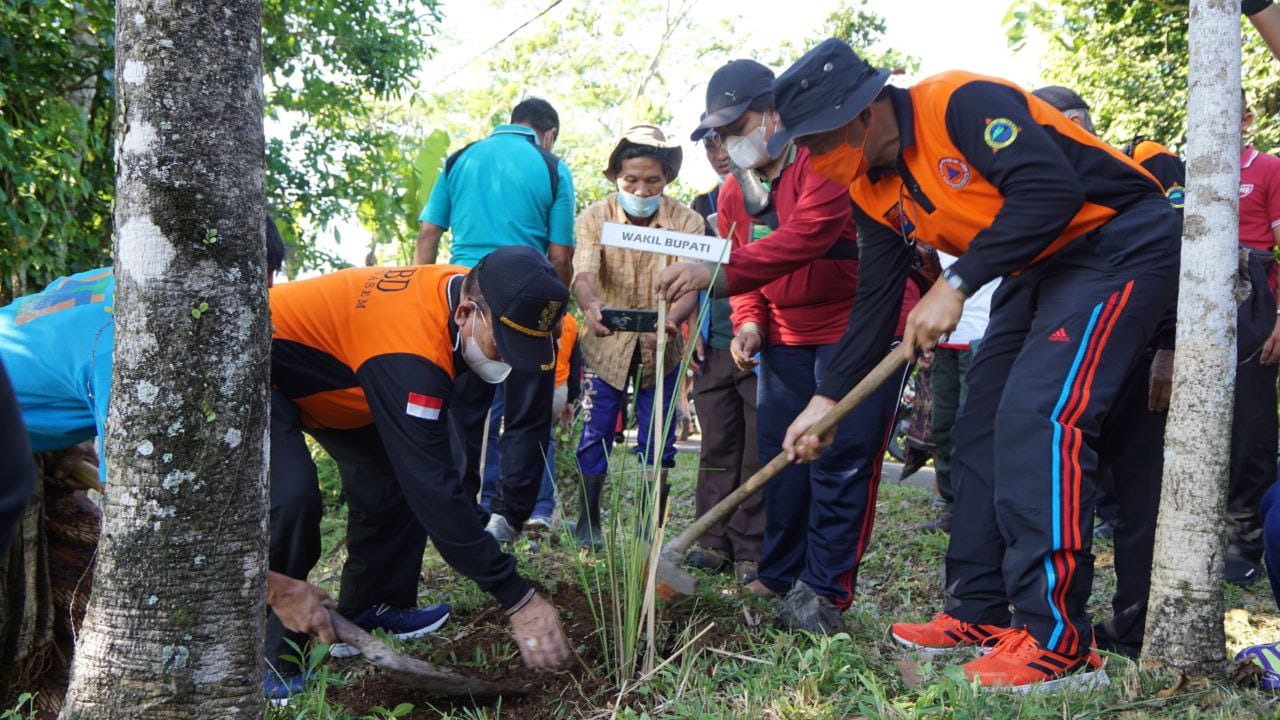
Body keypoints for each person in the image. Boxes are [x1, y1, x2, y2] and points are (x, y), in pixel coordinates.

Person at [771, 39, 1179, 690]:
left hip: (1114, 240)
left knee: (1040, 417)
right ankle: (978, 609)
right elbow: (874, 307)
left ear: (862, 111)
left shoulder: (961, 103)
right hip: (1035, 264)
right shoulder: (869, 190)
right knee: (981, 425)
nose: (814, 161)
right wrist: (827, 401)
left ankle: (1059, 644)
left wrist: (956, 283)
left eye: (820, 142)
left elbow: (1050, 191)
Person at [0, 220, 343, 703]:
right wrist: (277, 591)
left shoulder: (129, 282)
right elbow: (145, 517)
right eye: (245, 297)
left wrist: (61, 445)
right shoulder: (132, 342)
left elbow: (45, 356)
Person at [666, 59, 916, 633]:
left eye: (737, 123)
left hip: (856, 329)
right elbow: (744, 269)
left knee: (841, 458)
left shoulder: (823, 160)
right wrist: (749, 321)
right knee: (784, 458)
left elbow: (805, 240)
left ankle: (826, 589)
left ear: (773, 113)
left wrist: (714, 275)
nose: (728, 141)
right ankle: (779, 572)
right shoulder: (733, 194)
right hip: (784, 337)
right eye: (717, 132)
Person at [267, 246, 573, 686]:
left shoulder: (475, 286)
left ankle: (373, 604)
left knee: (391, 474)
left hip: (341, 378)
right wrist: (517, 597)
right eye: (503, 347)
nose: (508, 359)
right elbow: (433, 487)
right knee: (291, 496)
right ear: (467, 313)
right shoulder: (412, 352)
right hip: (263, 364)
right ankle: (275, 655)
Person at [1033, 85, 1183, 657]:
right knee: (1087, 493)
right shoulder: (1056, 188)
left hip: (1144, 356)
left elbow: (1178, 247)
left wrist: (1169, 345)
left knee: (1142, 498)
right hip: (1085, 358)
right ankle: (1068, 618)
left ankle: (1136, 624)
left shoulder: (1145, 160)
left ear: (1073, 122)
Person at [415, 97, 577, 542]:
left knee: (464, 409)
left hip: (461, 295)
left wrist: (425, 294)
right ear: (548, 134)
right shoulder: (551, 167)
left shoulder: (460, 159)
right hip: (525, 296)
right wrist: (555, 314)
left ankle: (462, 514)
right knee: (525, 410)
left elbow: (429, 233)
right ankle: (510, 516)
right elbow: (561, 256)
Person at [570, 124, 705, 547]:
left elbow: (692, 284)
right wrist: (592, 307)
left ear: (667, 179)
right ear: (615, 176)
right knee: (593, 430)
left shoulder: (689, 221)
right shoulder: (594, 217)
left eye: (652, 180)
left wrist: (675, 318)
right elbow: (584, 274)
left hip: (661, 345)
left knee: (659, 440)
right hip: (604, 346)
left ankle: (651, 529)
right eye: (631, 180)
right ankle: (588, 522)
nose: (641, 189)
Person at [685, 125, 764, 583]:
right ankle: (712, 542)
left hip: (758, 342)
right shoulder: (702, 206)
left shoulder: (771, 199)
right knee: (716, 442)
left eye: (726, 139)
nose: (719, 151)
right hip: (714, 339)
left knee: (757, 445)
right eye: (710, 143)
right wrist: (691, 322)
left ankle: (752, 547)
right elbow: (699, 275)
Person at [479, 313, 583, 530]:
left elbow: (572, 358)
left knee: (508, 433)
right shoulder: (569, 320)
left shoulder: (566, 321)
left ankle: (519, 506)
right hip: (542, 381)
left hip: (536, 378)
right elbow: (576, 361)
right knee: (538, 436)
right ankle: (538, 508)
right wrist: (572, 397)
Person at [921, 251, 998, 534]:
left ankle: (977, 511)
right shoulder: (940, 230)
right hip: (948, 340)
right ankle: (952, 507)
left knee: (973, 429)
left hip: (985, 338)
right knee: (942, 426)